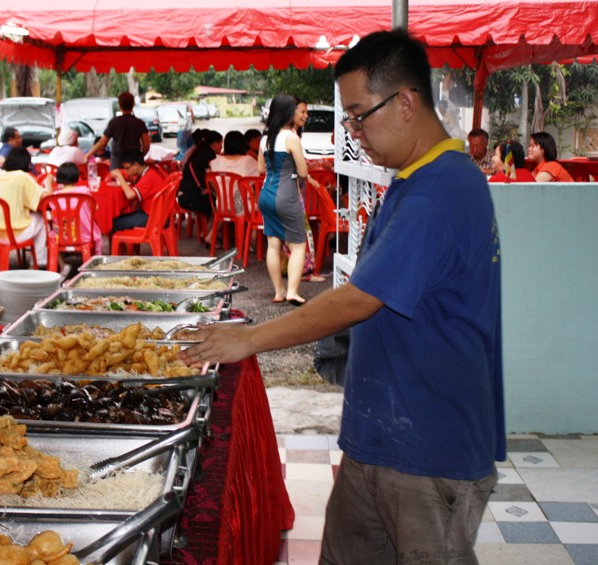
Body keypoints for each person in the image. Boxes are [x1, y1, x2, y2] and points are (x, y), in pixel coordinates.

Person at [181, 30, 505, 565]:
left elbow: (359, 299)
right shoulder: (413, 179)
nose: (352, 132)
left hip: (427, 448)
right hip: (381, 437)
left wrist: (250, 339)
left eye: (358, 115)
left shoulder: (439, 191)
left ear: (405, 102)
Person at [258, 93, 314, 306]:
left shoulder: (265, 139)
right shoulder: (291, 138)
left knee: (273, 244)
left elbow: (261, 168)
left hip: (266, 194)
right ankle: (292, 291)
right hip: (286, 194)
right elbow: (302, 171)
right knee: (298, 245)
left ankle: (279, 291)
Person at [0, 146, 52, 266]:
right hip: (14, 234)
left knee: (34, 216)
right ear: (27, 163)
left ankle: (38, 262)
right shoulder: (23, 177)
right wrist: (48, 182)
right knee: (41, 219)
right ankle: (39, 263)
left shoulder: (0, 176)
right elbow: (46, 198)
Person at [85, 92, 150, 170]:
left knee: (116, 180)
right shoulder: (140, 123)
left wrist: (87, 155)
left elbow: (102, 142)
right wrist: (141, 155)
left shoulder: (114, 122)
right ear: (133, 104)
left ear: (119, 105)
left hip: (117, 161)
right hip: (135, 162)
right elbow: (146, 145)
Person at [177, 130, 223, 239]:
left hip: (185, 195)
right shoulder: (208, 154)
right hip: (192, 197)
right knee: (221, 207)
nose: (221, 147)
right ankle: (210, 237)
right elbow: (211, 179)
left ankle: (206, 233)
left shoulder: (197, 152)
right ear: (214, 144)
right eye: (221, 144)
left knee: (219, 205)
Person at [51, 162, 103, 256]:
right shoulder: (84, 191)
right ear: (76, 176)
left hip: (62, 236)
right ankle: (92, 259)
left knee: (50, 237)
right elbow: (94, 207)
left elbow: (52, 212)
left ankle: (60, 265)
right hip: (84, 235)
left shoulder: (55, 196)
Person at [109, 148, 165, 234]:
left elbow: (130, 195)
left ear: (136, 165)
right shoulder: (149, 172)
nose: (126, 171)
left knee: (114, 223)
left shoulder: (149, 177)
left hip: (153, 218)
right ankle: (126, 246)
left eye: (127, 168)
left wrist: (120, 177)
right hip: (157, 214)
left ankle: (117, 247)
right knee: (126, 215)